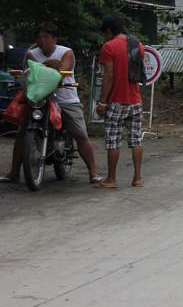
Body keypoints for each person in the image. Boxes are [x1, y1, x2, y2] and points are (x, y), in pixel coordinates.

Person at [1, 23, 100, 184]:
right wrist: (49, 64)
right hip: (39, 98)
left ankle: (93, 173)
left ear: (54, 38)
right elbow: (33, 72)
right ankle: (14, 173)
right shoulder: (31, 53)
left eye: (46, 37)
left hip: (65, 99)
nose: (42, 40)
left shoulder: (66, 52)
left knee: (80, 134)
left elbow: (60, 74)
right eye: (39, 37)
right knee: (22, 134)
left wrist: (44, 67)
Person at [94, 15, 145, 189]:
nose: (104, 37)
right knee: (136, 139)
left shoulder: (109, 47)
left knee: (113, 140)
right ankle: (137, 178)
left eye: (104, 33)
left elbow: (109, 75)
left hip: (116, 101)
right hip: (135, 100)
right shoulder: (138, 45)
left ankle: (111, 179)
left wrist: (102, 102)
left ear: (109, 30)